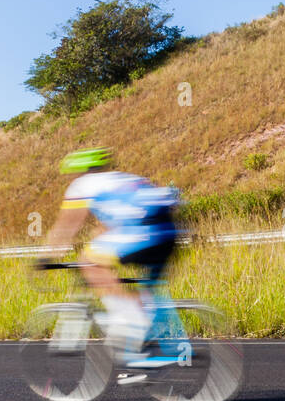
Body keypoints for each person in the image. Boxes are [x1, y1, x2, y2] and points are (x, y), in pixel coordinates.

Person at [42, 148, 181, 367]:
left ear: (79, 171)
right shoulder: (122, 180)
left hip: (142, 233)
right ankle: (144, 346)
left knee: (88, 261)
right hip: (169, 233)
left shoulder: (83, 184)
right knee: (145, 294)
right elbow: (107, 228)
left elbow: (66, 227)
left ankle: (132, 321)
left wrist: (46, 257)